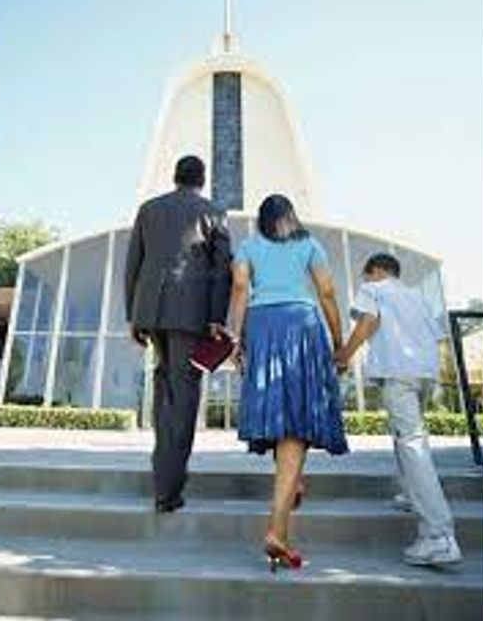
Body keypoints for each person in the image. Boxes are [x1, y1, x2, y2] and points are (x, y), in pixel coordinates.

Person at [227, 194, 348, 572]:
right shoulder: (309, 245)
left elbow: (240, 288)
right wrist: (339, 341)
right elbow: (327, 292)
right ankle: (277, 530)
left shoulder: (248, 246)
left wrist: (236, 338)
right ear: (292, 217)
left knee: (282, 412)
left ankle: (293, 483)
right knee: (296, 420)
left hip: (262, 326)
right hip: (301, 324)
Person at [334, 253, 462, 566]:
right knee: (409, 438)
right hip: (424, 374)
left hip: (398, 374)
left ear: (377, 271)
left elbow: (368, 322)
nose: (365, 281)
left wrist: (344, 355)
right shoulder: (417, 296)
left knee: (412, 446)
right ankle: (410, 494)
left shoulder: (374, 289)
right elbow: (438, 337)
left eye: (366, 275)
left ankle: (438, 536)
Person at [124, 155, 233, 513]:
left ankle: (164, 476)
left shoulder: (148, 209)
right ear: (202, 180)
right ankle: (167, 490)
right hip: (191, 316)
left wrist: (133, 317)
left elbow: (133, 265)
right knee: (183, 396)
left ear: (175, 177)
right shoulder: (213, 213)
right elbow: (222, 271)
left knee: (165, 392)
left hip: (152, 313)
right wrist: (217, 319)